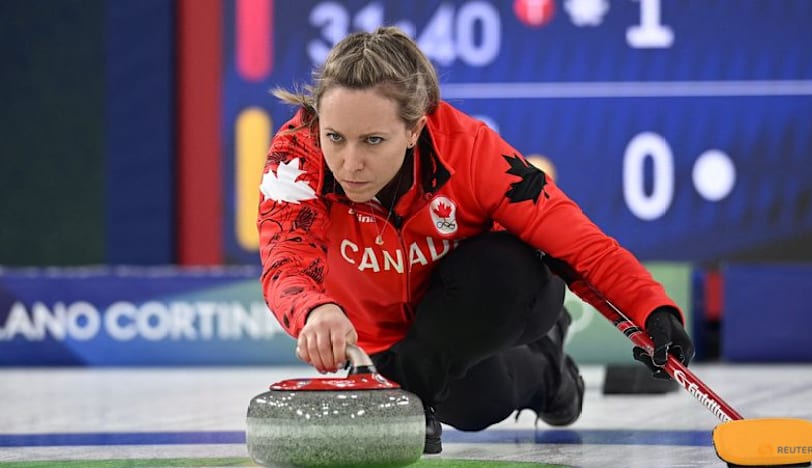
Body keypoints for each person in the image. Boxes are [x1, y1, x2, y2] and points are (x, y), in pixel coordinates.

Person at [257, 26, 693, 454]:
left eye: (373, 140)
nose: (350, 163)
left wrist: (651, 309)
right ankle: (547, 375)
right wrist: (314, 309)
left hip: (475, 302)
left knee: (508, 268)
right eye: (335, 137)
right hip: (384, 339)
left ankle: (421, 389)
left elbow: (578, 243)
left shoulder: (471, 151)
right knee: (477, 406)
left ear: (414, 129)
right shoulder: (296, 159)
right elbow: (285, 260)